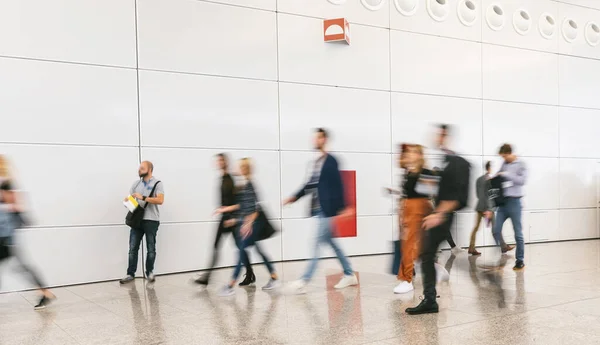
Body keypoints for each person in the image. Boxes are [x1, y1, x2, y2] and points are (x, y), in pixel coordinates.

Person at [283, 128, 358, 294]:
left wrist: (346, 206)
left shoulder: (331, 160)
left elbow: (339, 185)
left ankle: (304, 279)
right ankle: (349, 273)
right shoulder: (317, 162)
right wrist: (293, 197)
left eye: (317, 138)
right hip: (318, 209)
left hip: (327, 210)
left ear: (324, 139)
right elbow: (309, 185)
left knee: (316, 244)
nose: (314, 141)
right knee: (331, 242)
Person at [406, 124, 470, 315]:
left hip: (444, 217)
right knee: (426, 254)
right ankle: (431, 297)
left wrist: (439, 213)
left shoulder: (457, 162)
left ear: (446, 136)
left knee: (426, 255)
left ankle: (431, 299)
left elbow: (458, 197)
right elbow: (435, 189)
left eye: (440, 134)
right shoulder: (445, 161)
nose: (437, 137)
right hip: (439, 215)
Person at [218, 158, 278, 296]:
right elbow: (243, 207)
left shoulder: (249, 185)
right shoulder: (244, 184)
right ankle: (274, 277)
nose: (236, 169)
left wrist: (248, 224)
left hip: (252, 225)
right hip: (248, 224)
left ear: (244, 169)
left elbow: (255, 209)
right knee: (256, 250)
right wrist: (233, 218)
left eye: (239, 167)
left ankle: (230, 286)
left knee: (241, 251)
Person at [195, 153, 254, 286]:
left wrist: (232, 218)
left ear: (226, 162)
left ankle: (250, 273)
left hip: (231, 219)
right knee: (216, 246)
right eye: (218, 161)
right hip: (224, 218)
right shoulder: (222, 178)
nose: (219, 163)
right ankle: (206, 277)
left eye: (221, 160)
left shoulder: (231, 179)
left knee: (239, 247)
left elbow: (238, 202)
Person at [0, 179, 55, 309]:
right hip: (4, 244)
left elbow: (26, 222)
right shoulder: (3, 205)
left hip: (8, 244)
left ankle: (46, 293)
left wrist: (18, 209)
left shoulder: (13, 208)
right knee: (24, 269)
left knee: (25, 269)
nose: (7, 195)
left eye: (9, 192)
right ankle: (46, 293)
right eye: (5, 193)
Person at [393, 144, 434, 294]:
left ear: (420, 155)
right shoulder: (408, 173)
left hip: (419, 210)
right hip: (408, 210)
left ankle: (407, 279)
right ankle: (430, 269)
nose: (409, 155)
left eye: (413, 153)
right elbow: (406, 195)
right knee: (410, 246)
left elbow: (429, 195)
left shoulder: (426, 172)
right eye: (409, 153)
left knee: (410, 246)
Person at [120, 161, 164, 284]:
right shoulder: (136, 184)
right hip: (136, 220)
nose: (139, 170)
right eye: (139, 168)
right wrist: (128, 202)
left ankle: (149, 273)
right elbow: (131, 202)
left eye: (142, 168)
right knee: (133, 248)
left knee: (151, 248)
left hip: (151, 220)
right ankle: (130, 274)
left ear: (149, 169)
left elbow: (160, 200)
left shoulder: (157, 184)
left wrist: (143, 197)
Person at [492, 144, 527, 271]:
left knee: (518, 234)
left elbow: (522, 181)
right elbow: (500, 177)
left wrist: (507, 174)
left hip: (515, 202)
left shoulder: (521, 164)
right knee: (496, 230)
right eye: (502, 157)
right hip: (503, 203)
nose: (503, 159)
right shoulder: (504, 163)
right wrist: (495, 177)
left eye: (505, 156)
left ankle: (520, 261)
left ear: (509, 153)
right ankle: (502, 253)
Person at [433, 125, 464, 255]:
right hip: (437, 206)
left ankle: (447, 247)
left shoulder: (450, 166)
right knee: (442, 228)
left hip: (442, 206)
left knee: (444, 228)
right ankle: (447, 247)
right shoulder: (436, 180)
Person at [468, 161, 494, 256]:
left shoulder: (478, 179)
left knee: (475, 228)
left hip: (479, 206)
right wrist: (488, 209)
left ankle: (471, 247)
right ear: (490, 168)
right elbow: (489, 196)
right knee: (496, 227)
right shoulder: (490, 179)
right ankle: (503, 247)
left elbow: (478, 195)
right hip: (487, 208)